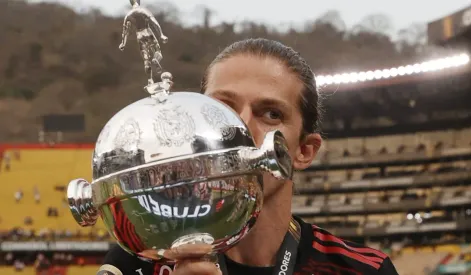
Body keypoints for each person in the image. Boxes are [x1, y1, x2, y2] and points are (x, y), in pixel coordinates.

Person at [99, 38, 399, 275]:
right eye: (221, 108)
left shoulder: (362, 270)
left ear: (303, 151)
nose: (239, 128)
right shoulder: (141, 262)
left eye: (271, 114)